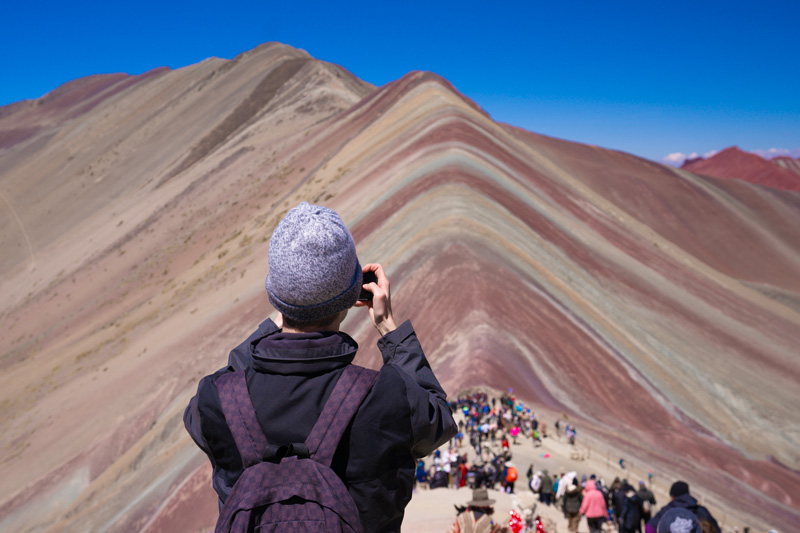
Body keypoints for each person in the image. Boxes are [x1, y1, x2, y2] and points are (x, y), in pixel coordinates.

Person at [183, 202, 457, 532]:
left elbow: (229, 379)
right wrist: (388, 327)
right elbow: (438, 418)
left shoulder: (215, 401)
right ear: (349, 296)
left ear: (276, 294)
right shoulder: (388, 396)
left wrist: (283, 315)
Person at [645, 481, 721, 533]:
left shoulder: (669, 511)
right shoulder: (702, 511)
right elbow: (717, 530)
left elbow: (649, 528)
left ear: (673, 496)